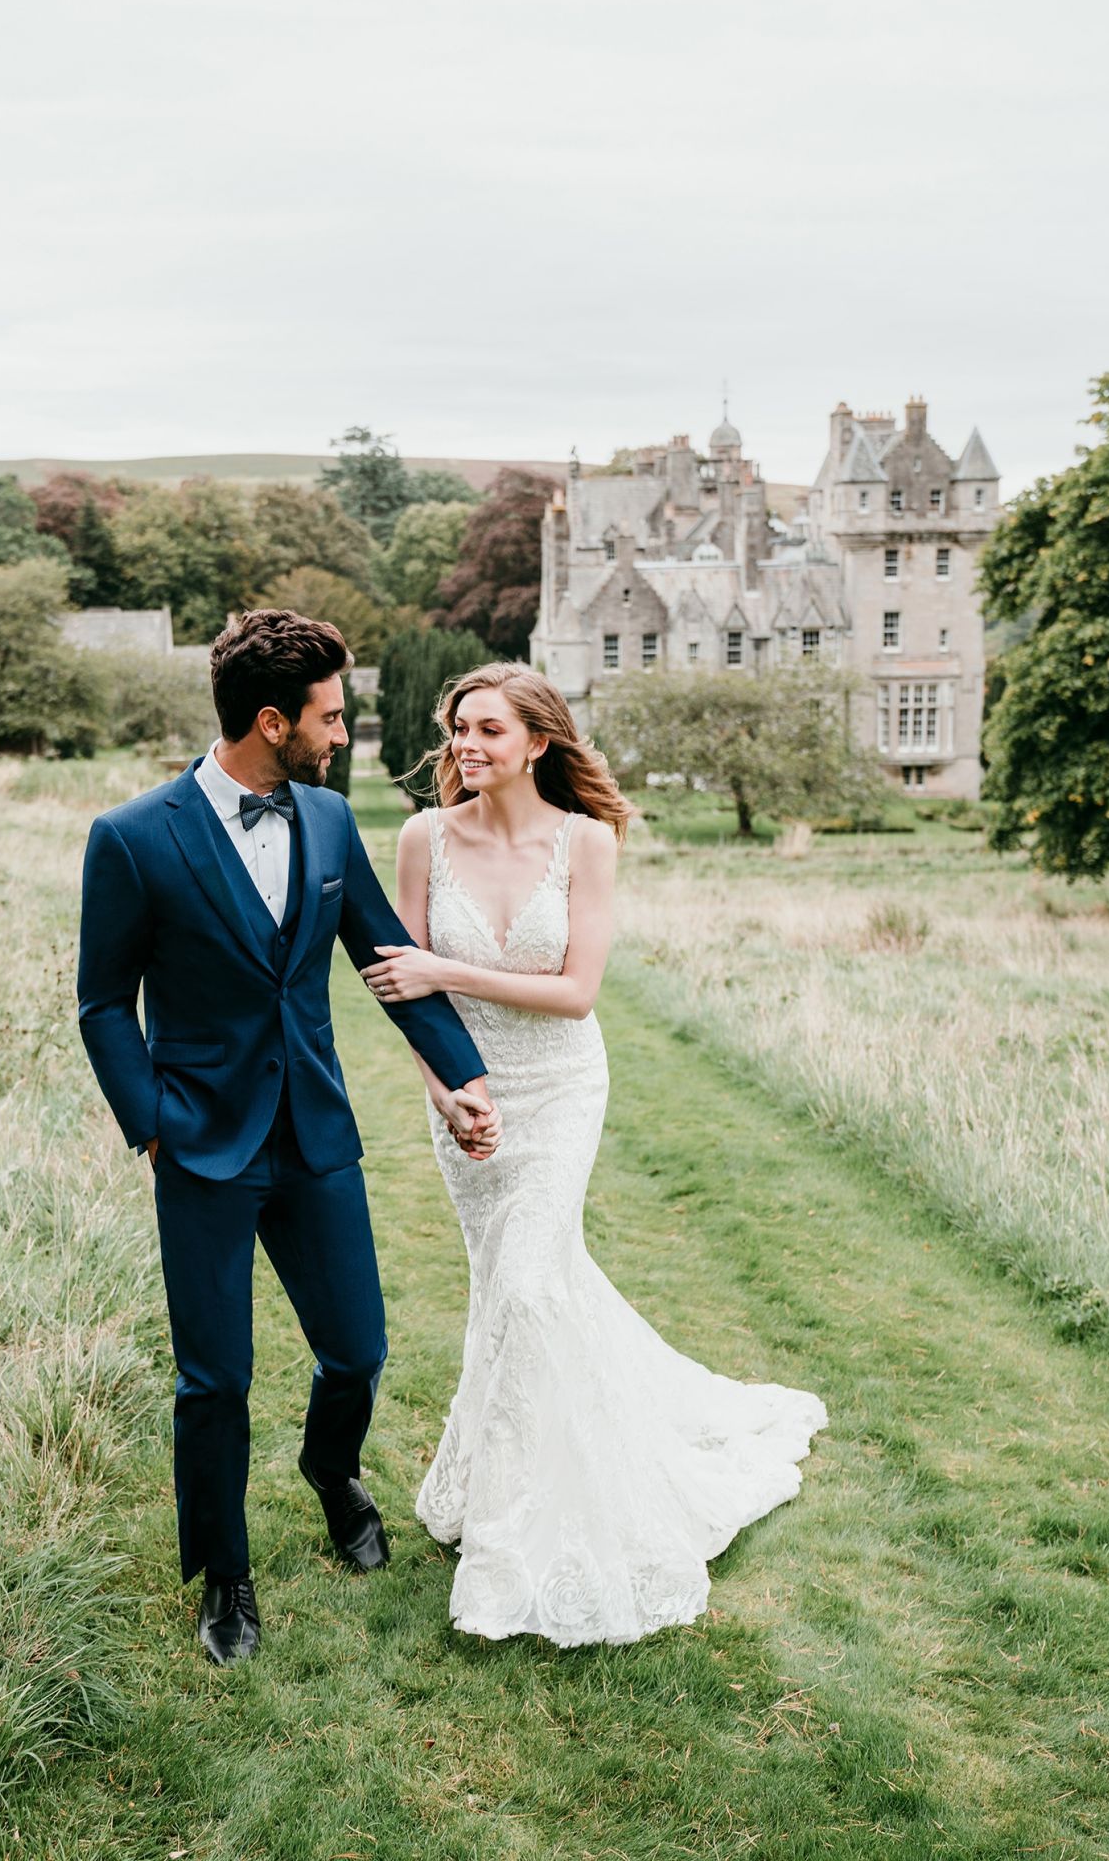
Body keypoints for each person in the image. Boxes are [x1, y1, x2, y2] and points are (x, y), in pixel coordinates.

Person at [360, 662, 827, 1647]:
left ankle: (520, 1533)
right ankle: (493, 1479)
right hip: (465, 1096)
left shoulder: (585, 841)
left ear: (538, 742)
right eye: (456, 729)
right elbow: (402, 994)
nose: (465, 745)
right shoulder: (420, 837)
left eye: (487, 729)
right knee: (510, 1289)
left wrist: (446, 966)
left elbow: (575, 991)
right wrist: (446, 1093)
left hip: (560, 1085)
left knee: (529, 1284)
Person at [77, 610, 499, 1666]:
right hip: (201, 1147)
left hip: (313, 1133)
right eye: (330, 716)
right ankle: (225, 1577)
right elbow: (100, 1004)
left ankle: (330, 1466)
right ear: (271, 721)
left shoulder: (323, 820)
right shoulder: (131, 836)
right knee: (214, 1378)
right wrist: (152, 1128)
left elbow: (385, 955)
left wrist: (463, 1075)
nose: (344, 733)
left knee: (357, 1349)